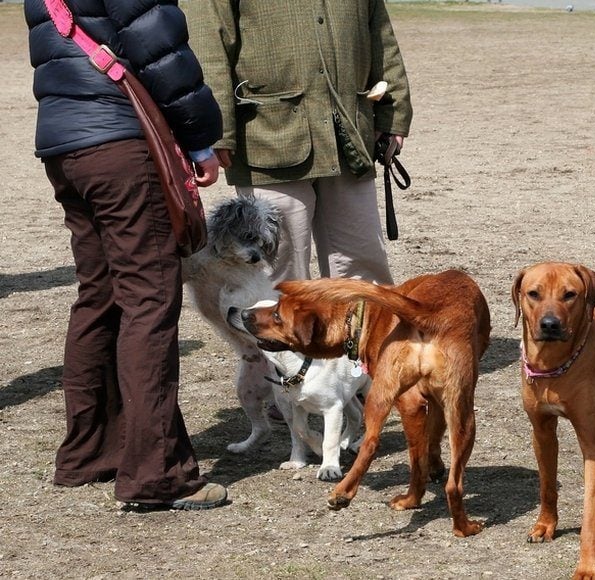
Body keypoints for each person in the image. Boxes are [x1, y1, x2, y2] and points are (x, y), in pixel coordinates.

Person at [26, 0, 228, 509]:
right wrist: (202, 140)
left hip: (64, 142)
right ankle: (156, 474)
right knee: (150, 300)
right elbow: (160, 50)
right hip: (119, 142)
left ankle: (89, 453)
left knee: (99, 296)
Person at [187, 1, 414, 287]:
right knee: (280, 268)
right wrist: (217, 131)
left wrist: (393, 112)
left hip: (349, 136)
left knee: (363, 265)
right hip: (267, 139)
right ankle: (277, 334)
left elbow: (381, 35)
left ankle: (358, 332)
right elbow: (208, 45)